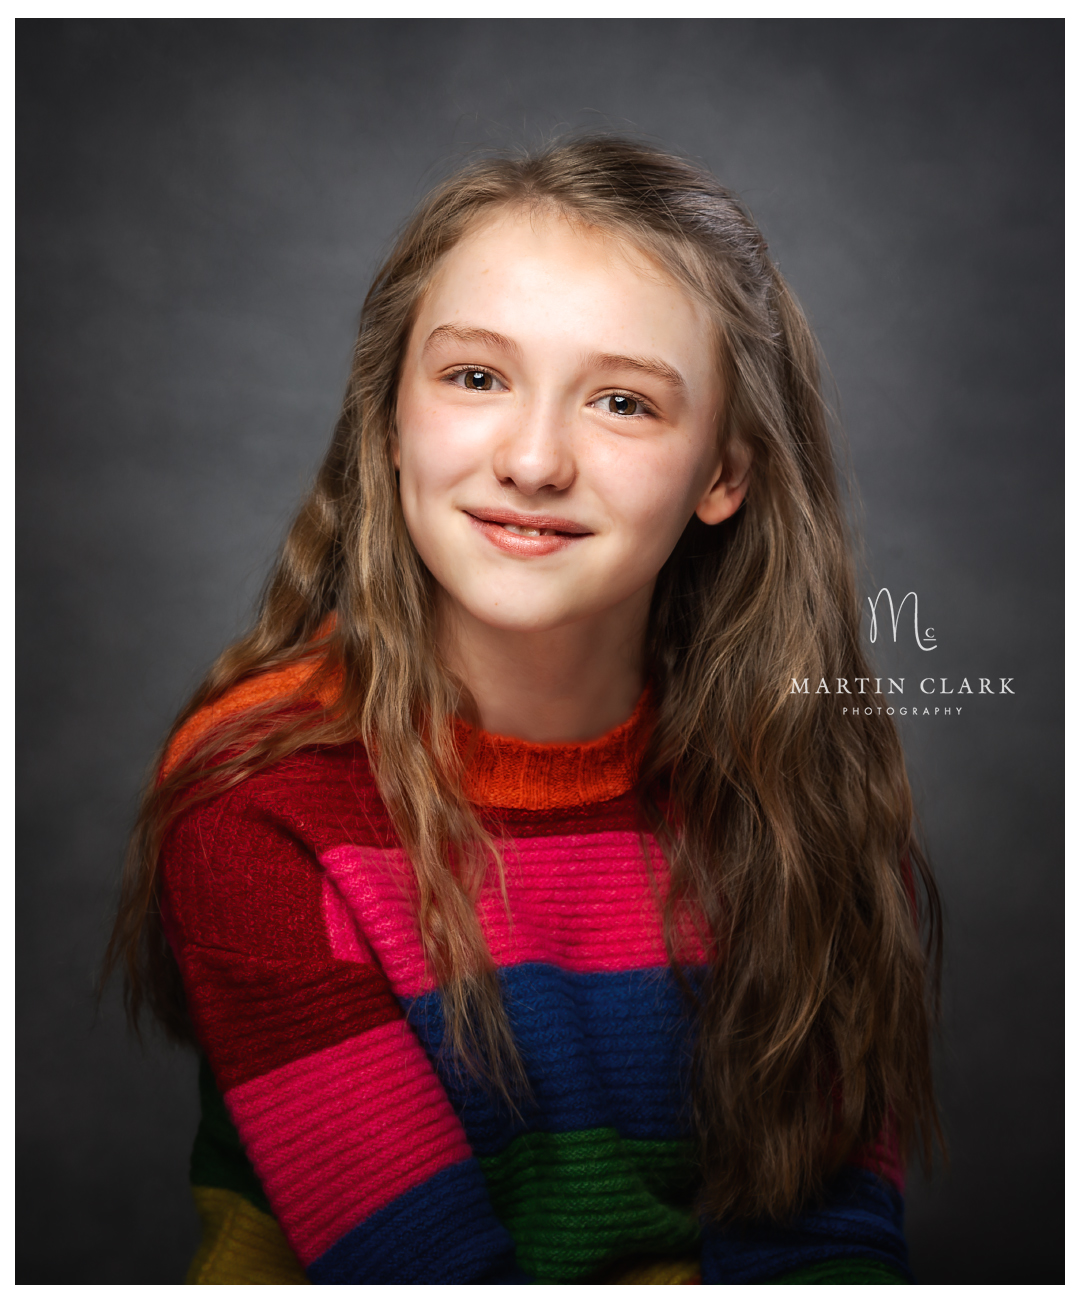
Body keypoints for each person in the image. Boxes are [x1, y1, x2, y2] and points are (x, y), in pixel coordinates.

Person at [104, 136, 942, 1284]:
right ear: (391, 417)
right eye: (477, 377)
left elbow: (828, 1250)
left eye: (622, 401)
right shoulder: (259, 803)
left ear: (723, 474)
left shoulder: (807, 796)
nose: (535, 460)